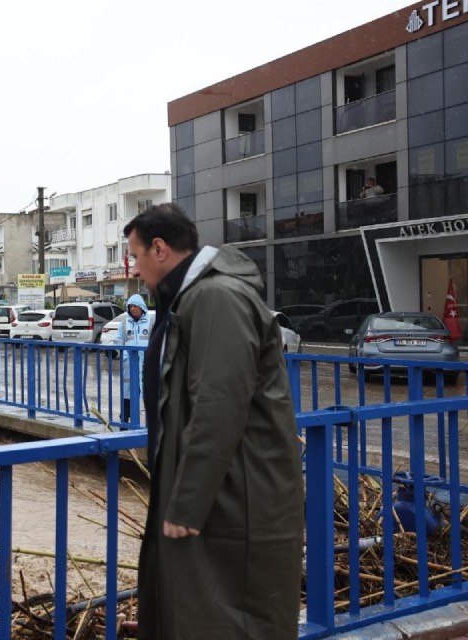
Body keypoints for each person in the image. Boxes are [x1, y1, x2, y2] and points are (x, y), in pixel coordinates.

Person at [123, 203, 302, 639]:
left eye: (135, 254)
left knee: (226, 615)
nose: (132, 267)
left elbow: (219, 403)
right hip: (223, 491)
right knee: (199, 610)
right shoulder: (192, 297)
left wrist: (186, 501)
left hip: (234, 496)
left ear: (160, 249)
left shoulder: (214, 298)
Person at [115, 293, 153, 423]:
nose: (133, 309)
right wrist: (119, 353)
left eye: (135, 306)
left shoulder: (151, 322)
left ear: (141, 307)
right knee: (128, 394)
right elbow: (118, 341)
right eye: (130, 307)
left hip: (147, 364)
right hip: (129, 365)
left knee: (150, 394)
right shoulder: (124, 323)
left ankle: (151, 425)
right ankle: (124, 422)